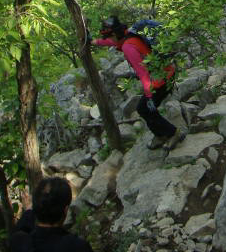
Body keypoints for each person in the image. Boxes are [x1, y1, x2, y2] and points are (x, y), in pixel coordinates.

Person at [91, 15, 185, 151]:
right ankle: (160, 135)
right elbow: (109, 42)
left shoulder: (128, 47)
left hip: (162, 78)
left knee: (144, 109)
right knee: (145, 109)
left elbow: (143, 73)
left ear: (115, 34)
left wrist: (149, 96)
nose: (108, 40)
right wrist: (92, 41)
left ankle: (172, 133)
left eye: (109, 36)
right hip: (166, 72)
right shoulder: (128, 34)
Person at [10, 177, 93, 251]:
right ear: (65, 210)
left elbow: (21, 231)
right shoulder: (77, 247)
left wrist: (29, 210)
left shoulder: (19, 243)